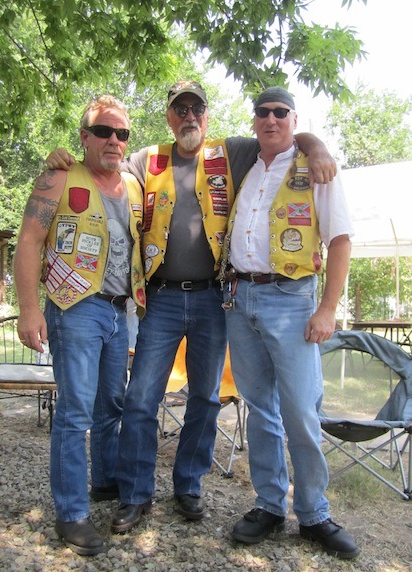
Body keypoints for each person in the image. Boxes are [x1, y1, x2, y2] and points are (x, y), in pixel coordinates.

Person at [46, 80, 337, 534]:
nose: (188, 117)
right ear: (169, 117)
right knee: (141, 397)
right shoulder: (147, 159)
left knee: (205, 397)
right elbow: (103, 162)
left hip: (213, 299)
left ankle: (188, 486)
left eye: (196, 109)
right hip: (160, 299)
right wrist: (61, 159)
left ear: (206, 114)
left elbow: (279, 134)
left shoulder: (232, 152)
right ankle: (135, 493)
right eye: (180, 109)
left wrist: (315, 145)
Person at [220, 87, 359, 559]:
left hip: (291, 299)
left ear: (295, 120)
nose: (271, 119)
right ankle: (269, 505)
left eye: (281, 112)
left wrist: (328, 308)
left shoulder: (315, 168)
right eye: (263, 112)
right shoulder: (244, 165)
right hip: (239, 297)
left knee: (300, 409)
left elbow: (340, 240)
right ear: (254, 120)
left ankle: (314, 513)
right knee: (260, 407)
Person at [13, 95, 146, 555]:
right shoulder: (58, 176)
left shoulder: (133, 187)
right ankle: (70, 514)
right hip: (75, 308)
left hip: (119, 311)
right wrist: (28, 309)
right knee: (75, 412)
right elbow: (29, 241)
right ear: (85, 137)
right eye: (104, 131)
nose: (114, 140)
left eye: (122, 133)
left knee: (112, 404)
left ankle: (105, 482)